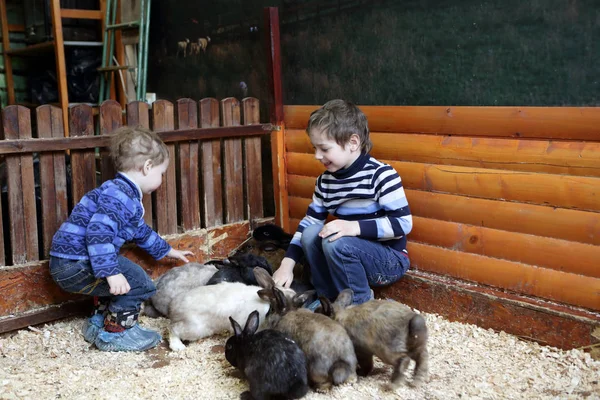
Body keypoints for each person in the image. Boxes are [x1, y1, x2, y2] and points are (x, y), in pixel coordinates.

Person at [49, 126, 193, 352]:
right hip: (75, 262)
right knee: (139, 283)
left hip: (67, 261)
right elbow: (98, 233)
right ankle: (117, 333)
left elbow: (139, 231)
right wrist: (111, 271)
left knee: (119, 284)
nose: (161, 180)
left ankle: (97, 324)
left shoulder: (119, 193)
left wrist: (167, 251)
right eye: (161, 173)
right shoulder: (120, 197)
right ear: (147, 167)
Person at [272, 99, 412, 309]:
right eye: (314, 148)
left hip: (388, 260)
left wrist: (352, 227)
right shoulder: (325, 182)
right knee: (312, 233)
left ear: (353, 143)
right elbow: (309, 223)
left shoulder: (381, 175)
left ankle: (359, 307)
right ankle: (328, 301)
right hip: (346, 257)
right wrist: (287, 263)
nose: (317, 156)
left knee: (336, 241)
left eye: (324, 148)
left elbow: (402, 224)